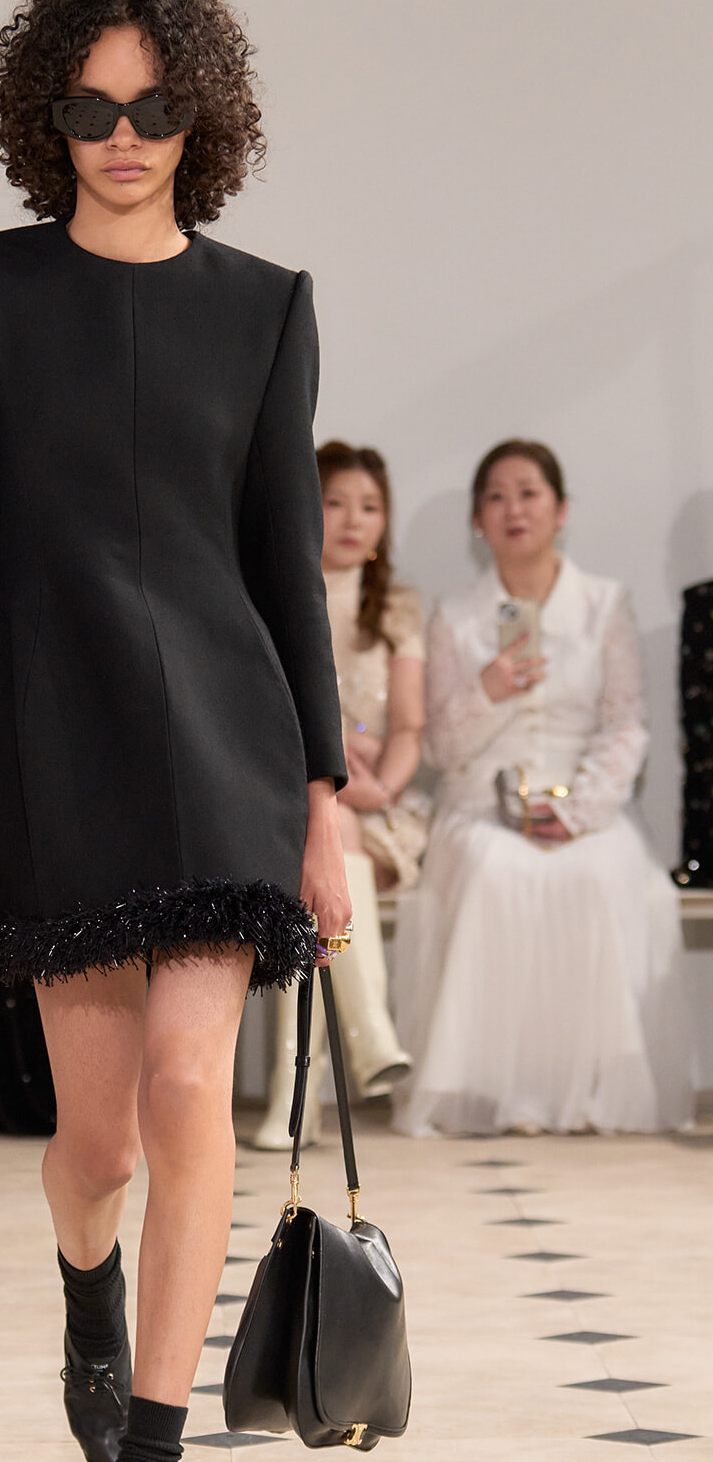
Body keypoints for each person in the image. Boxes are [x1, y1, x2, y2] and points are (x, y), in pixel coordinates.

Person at [0, 0, 350, 1462]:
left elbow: (288, 574)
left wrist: (324, 801)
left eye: (157, 105)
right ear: (48, 116)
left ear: (201, 115)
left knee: (182, 1091)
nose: (126, 134)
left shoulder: (266, 305)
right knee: (94, 1139)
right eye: (93, 106)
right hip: (47, 738)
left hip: (223, 740)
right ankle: (86, 1283)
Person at [394, 439, 695, 1137]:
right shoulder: (455, 616)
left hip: (585, 803)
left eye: (529, 492)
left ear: (561, 510)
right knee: (495, 872)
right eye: (495, 496)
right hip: (479, 799)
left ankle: (589, 1091)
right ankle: (500, 1094)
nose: (513, 509)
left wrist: (580, 811)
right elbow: (438, 745)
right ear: (477, 520)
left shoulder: (603, 603)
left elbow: (626, 727)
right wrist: (488, 689)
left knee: (597, 874)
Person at [254, 441, 426, 1149]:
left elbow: (411, 727)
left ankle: (292, 1100)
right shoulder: (273, 598)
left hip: (380, 815)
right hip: (294, 808)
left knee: (327, 861)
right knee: (315, 858)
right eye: (334, 503)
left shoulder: (400, 609)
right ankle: (368, 1037)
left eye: (371, 507)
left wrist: (375, 784)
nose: (353, 521)